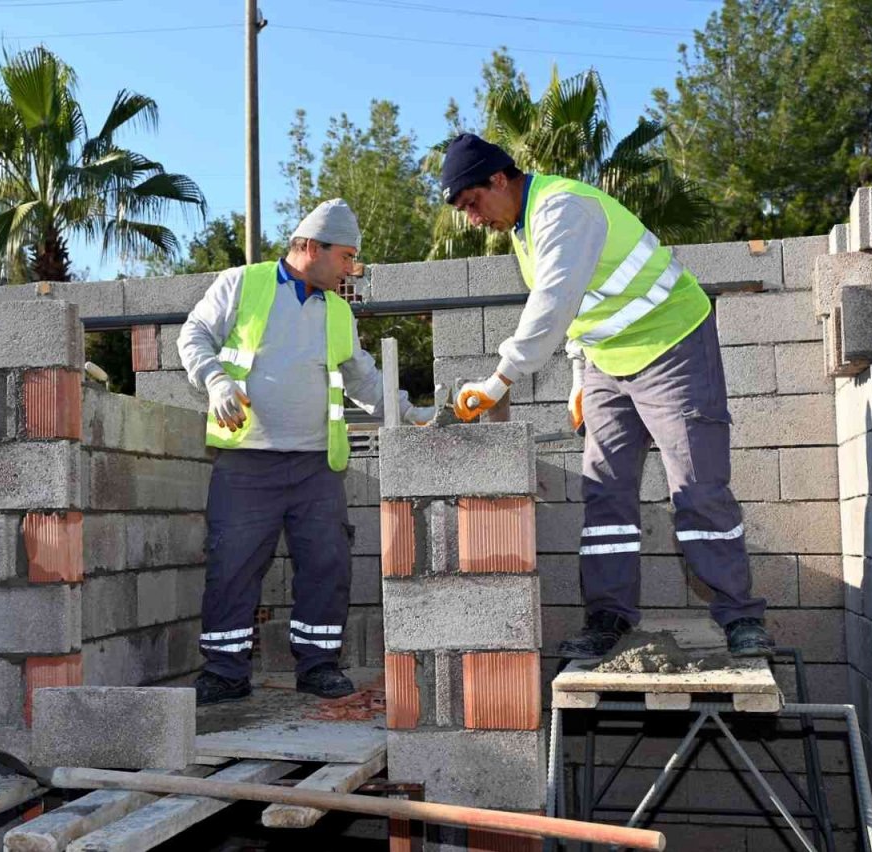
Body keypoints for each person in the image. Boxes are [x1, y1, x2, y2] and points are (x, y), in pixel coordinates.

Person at [439, 133, 773, 659]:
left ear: (499, 179)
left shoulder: (562, 208)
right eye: (463, 210)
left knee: (696, 486)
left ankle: (739, 616)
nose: (473, 217)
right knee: (606, 490)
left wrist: (499, 379)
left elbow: (552, 304)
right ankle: (608, 614)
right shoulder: (524, 230)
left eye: (473, 202)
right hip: (606, 363)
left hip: (671, 343)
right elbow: (579, 309)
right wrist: (578, 374)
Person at [178, 199, 434, 704]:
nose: (350, 268)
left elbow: (363, 377)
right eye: (345, 256)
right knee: (231, 565)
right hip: (247, 460)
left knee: (327, 564)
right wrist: (216, 382)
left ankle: (318, 665)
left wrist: (414, 413)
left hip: (317, 465)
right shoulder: (241, 284)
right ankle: (225, 672)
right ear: (311, 248)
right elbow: (194, 335)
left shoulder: (337, 309)